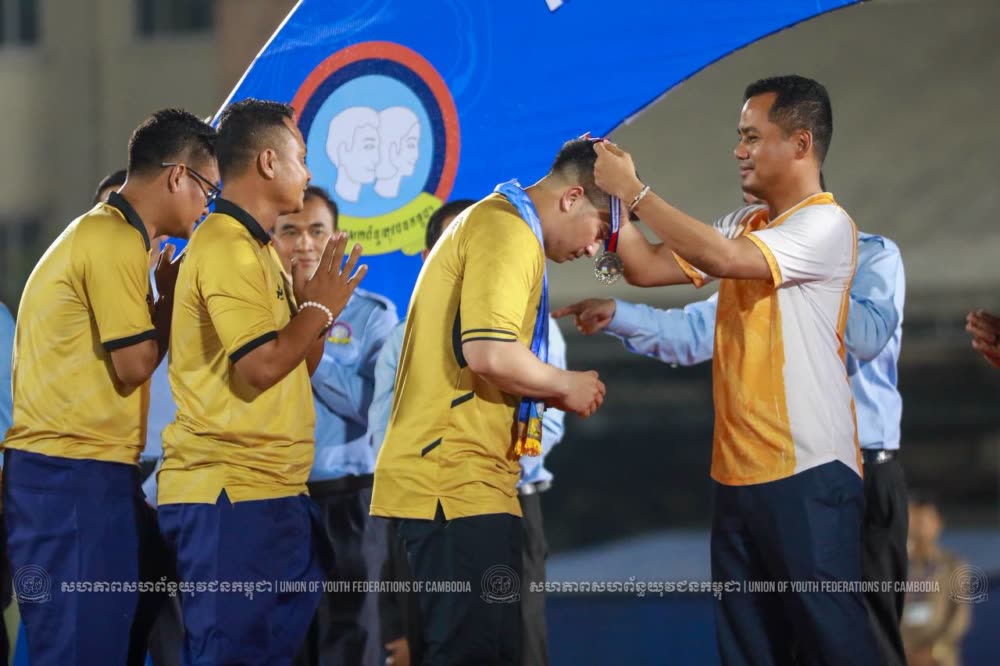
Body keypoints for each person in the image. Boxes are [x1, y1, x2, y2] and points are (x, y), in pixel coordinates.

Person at [588, 75, 880, 665]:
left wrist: (637, 192)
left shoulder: (825, 225)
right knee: (749, 651)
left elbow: (722, 259)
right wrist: (613, 200)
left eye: (751, 136)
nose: (738, 150)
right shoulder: (744, 223)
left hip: (807, 469)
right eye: (739, 136)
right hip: (736, 474)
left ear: (800, 144)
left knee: (835, 647)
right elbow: (644, 267)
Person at [556, 221, 908, 666]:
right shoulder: (752, 258)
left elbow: (866, 339)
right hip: (765, 470)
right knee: (761, 632)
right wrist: (619, 314)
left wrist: (803, 273)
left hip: (856, 468)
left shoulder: (873, 254)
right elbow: (698, 330)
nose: (752, 195)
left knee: (857, 634)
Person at [370, 138, 607, 665]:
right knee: (468, 653)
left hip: (478, 483)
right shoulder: (506, 229)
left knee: (494, 652)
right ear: (572, 197)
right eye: (600, 229)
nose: (595, 250)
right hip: (453, 484)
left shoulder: (503, 225)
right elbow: (489, 352)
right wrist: (563, 384)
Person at [2, 109, 217, 666]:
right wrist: (167, 307)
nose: (207, 205)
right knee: (79, 649)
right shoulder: (113, 238)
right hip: (69, 476)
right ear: (177, 175)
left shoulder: (106, 233)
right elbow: (134, 365)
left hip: (85, 475)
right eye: (207, 189)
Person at [156, 98, 367, 666]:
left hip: (270, 493)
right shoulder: (226, 246)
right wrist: (316, 310)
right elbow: (260, 367)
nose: (309, 172)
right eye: (302, 157)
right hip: (231, 496)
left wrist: (314, 311)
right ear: (269, 162)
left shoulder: (257, 249)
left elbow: (296, 369)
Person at [270, 185, 399, 666]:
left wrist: (307, 344)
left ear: (337, 239)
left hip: (347, 497)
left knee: (352, 637)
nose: (304, 243)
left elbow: (373, 408)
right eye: (289, 231)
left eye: (316, 231)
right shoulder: (254, 315)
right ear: (271, 239)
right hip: (274, 496)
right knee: (282, 638)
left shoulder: (372, 315)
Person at [902, 492, 971, 666]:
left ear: (938, 523)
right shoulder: (890, 565)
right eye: (913, 520)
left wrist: (934, 650)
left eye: (923, 521)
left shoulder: (953, 565)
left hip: (939, 658)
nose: (917, 527)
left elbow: (959, 616)